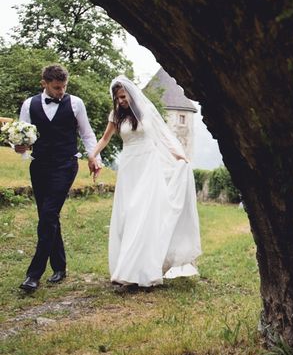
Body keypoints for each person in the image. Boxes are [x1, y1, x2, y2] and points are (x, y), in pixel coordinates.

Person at [91, 75, 201, 287]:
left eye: (123, 96)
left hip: (149, 167)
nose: (121, 101)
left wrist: (179, 155)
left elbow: (162, 136)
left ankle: (142, 273)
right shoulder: (116, 115)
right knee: (127, 215)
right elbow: (105, 138)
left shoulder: (146, 112)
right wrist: (92, 155)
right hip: (129, 168)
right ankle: (130, 270)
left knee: (140, 213)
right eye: (118, 97)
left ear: (131, 94)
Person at [15, 64, 101, 292]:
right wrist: (19, 147)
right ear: (44, 84)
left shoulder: (75, 103)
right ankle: (60, 267)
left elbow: (87, 133)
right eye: (56, 88)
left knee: (48, 214)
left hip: (66, 165)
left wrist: (94, 157)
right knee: (47, 216)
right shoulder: (29, 104)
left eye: (63, 87)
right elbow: (22, 138)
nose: (60, 92)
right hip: (39, 166)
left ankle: (33, 275)